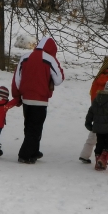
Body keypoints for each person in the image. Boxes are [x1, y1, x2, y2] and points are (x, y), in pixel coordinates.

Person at [11, 36, 65, 164]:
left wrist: (17, 96)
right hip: (40, 99)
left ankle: (34, 151)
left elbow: (17, 79)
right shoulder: (50, 59)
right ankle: (25, 155)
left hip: (25, 98)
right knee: (35, 128)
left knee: (29, 126)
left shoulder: (25, 57)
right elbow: (59, 79)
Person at [85, 80, 108, 171]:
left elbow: (91, 112)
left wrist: (88, 123)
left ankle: (98, 161)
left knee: (100, 143)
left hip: (98, 128)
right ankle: (102, 159)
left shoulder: (97, 98)